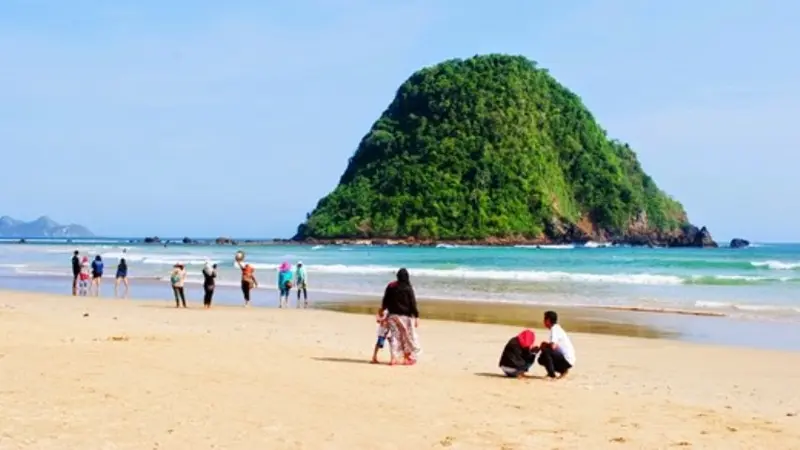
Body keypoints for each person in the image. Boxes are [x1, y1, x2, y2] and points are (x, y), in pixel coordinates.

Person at [378, 268, 420, 365]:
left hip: (392, 315)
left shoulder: (391, 286)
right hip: (405, 316)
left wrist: (383, 310)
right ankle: (407, 358)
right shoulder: (408, 288)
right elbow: (412, 303)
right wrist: (416, 316)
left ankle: (393, 358)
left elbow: (385, 300)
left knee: (394, 337)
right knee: (407, 337)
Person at [538, 311, 576, 379]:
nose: (543, 321)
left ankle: (552, 375)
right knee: (541, 358)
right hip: (569, 360)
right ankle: (562, 370)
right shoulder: (557, 328)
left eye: (544, 319)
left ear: (548, 320)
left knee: (546, 352)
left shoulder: (554, 329)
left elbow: (553, 346)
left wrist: (545, 345)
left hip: (566, 360)